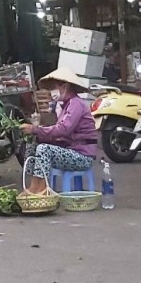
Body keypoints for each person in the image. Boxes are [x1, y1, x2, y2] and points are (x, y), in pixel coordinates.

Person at [19, 67, 98, 195]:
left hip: (82, 156)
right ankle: (34, 184)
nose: (52, 91)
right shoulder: (66, 106)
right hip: (70, 150)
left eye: (54, 87)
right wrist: (36, 134)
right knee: (32, 144)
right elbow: (58, 134)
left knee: (44, 149)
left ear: (65, 86)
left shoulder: (76, 104)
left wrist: (35, 129)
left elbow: (63, 130)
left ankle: (40, 189)